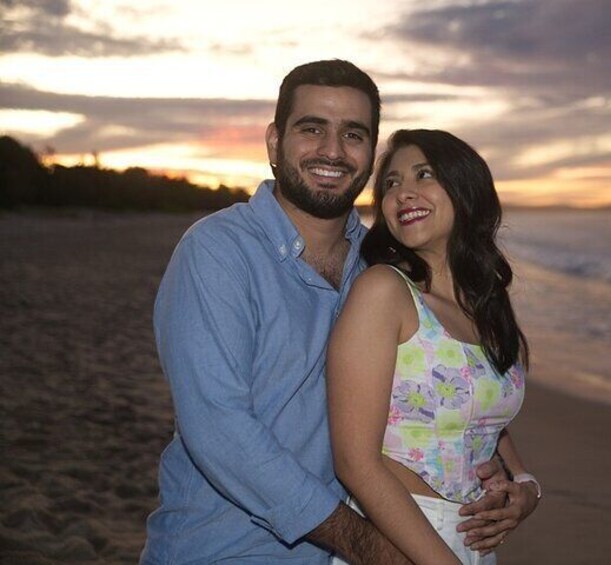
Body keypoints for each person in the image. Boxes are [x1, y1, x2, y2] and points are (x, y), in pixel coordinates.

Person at [142, 61, 522, 564]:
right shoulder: (217, 252)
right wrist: (365, 544)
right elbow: (219, 429)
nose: (332, 151)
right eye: (312, 128)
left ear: (369, 155)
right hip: (224, 549)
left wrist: (508, 473)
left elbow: (425, 387)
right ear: (275, 143)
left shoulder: (383, 268)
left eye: (353, 134)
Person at [327, 129, 541, 565]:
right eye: (391, 184)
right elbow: (355, 462)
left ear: (465, 188)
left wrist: (526, 486)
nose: (403, 193)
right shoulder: (384, 291)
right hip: (403, 536)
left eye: (423, 175)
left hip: (475, 543)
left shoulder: (485, 306)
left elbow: (483, 412)